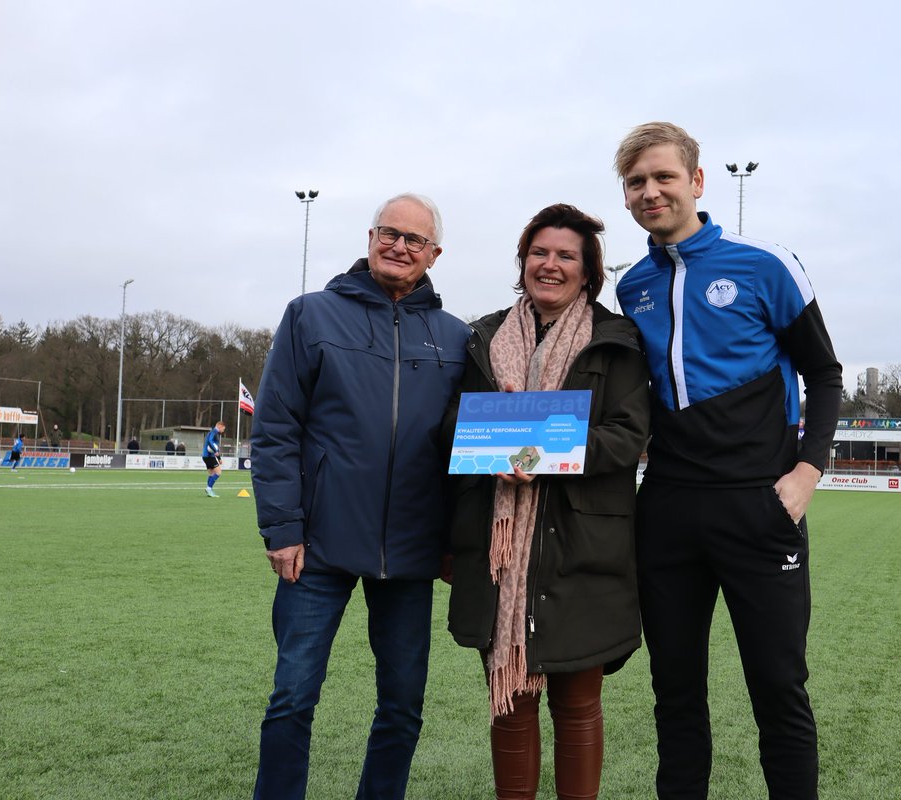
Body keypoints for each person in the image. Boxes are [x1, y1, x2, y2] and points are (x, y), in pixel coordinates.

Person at [612, 122, 842, 799]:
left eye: (663, 177)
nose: (650, 192)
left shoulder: (766, 263)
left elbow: (825, 374)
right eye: (635, 183)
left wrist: (806, 474)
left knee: (779, 689)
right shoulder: (632, 289)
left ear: (697, 182)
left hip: (758, 506)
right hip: (669, 511)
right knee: (675, 692)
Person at [250, 193, 469, 800]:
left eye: (414, 240)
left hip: (412, 549)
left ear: (434, 255)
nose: (399, 246)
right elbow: (275, 429)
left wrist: (453, 542)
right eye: (389, 233)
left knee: (403, 704)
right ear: (370, 236)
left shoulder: (454, 337)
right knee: (292, 698)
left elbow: (463, 448)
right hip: (317, 543)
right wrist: (283, 527)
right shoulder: (310, 315)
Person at [446, 204, 650, 799]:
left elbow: (627, 435)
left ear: (589, 271)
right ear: (522, 262)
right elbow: (450, 430)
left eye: (567, 256)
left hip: (583, 544)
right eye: (539, 253)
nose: (551, 265)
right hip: (498, 547)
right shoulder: (483, 338)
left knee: (578, 703)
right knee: (511, 703)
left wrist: (536, 448)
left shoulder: (617, 341)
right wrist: (493, 435)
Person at [203, 421, 225, 497]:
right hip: (209, 456)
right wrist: (215, 451)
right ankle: (209, 489)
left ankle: (209, 490)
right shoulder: (214, 432)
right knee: (218, 472)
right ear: (219, 426)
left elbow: (215, 446)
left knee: (212, 474)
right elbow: (210, 442)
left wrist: (219, 458)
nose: (223, 430)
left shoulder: (213, 432)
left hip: (206, 456)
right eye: (223, 428)